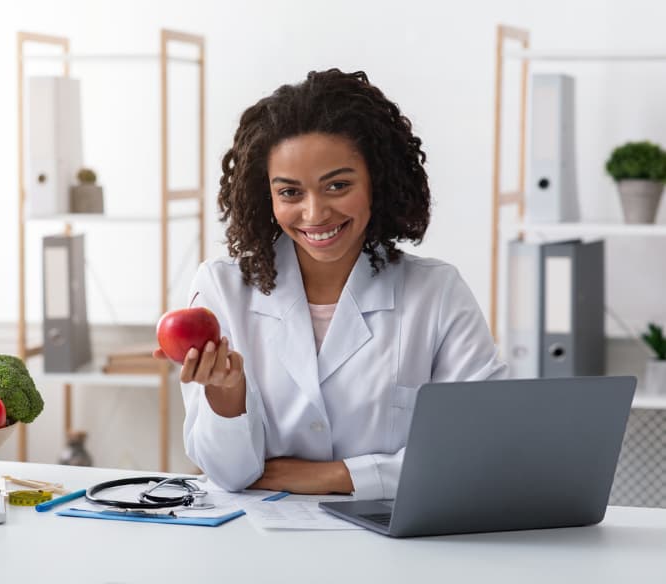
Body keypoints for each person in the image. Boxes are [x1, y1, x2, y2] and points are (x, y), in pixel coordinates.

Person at [154, 69, 507, 498]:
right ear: (264, 194)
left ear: (378, 180)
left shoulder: (436, 293)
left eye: (338, 185)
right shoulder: (221, 290)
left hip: (399, 550)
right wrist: (226, 394)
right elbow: (229, 474)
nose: (315, 213)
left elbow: (480, 450)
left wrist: (333, 476)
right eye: (290, 193)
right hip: (259, 548)